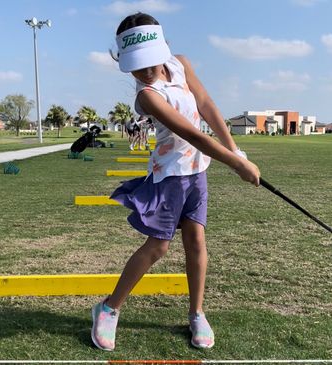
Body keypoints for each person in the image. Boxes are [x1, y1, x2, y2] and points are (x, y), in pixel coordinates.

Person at [91, 12, 260, 351]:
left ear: (162, 48)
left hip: (197, 171)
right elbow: (191, 133)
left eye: (149, 62)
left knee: (196, 242)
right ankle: (108, 308)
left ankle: (196, 313)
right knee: (158, 247)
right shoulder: (147, 96)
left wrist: (236, 150)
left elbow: (207, 105)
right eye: (136, 66)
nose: (143, 71)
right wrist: (237, 165)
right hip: (169, 175)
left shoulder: (180, 64)